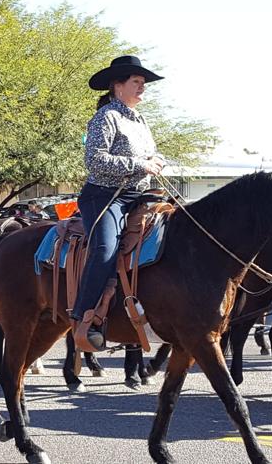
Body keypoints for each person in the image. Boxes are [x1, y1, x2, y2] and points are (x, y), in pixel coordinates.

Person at [70, 55, 165, 351]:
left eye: (143, 83)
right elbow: (95, 160)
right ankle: (84, 317)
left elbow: (149, 156)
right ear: (118, 86)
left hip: (139, 197)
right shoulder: (106, 117)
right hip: (104, 196)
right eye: (137, 82)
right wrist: (139, 164)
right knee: (105, 248)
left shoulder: (140, 119)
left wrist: (158, 161)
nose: (142, 88)